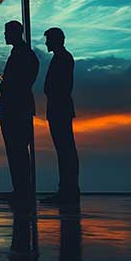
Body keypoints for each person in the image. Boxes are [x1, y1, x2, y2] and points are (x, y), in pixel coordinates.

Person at [0, 21, 39, 208]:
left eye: (7, 32)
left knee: (18, 150)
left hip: (16, 108)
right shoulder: (22, 53)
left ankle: (22, 191)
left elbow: (22, 81)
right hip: (16, 107)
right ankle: (20, 190)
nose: (5, 35)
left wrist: (7, 87)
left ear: (15, 33)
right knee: (16, 150)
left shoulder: (23, 54)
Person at [42, 27, 80, 205]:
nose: (46, 43)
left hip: (60, 109)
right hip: (58, 108)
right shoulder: (61, 58)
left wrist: (53, 94)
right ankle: (67, 189)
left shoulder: (63, 58)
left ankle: (68, 190)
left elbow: (61, 86)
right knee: (64, 150)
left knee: (65, 150)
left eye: (48, 39)